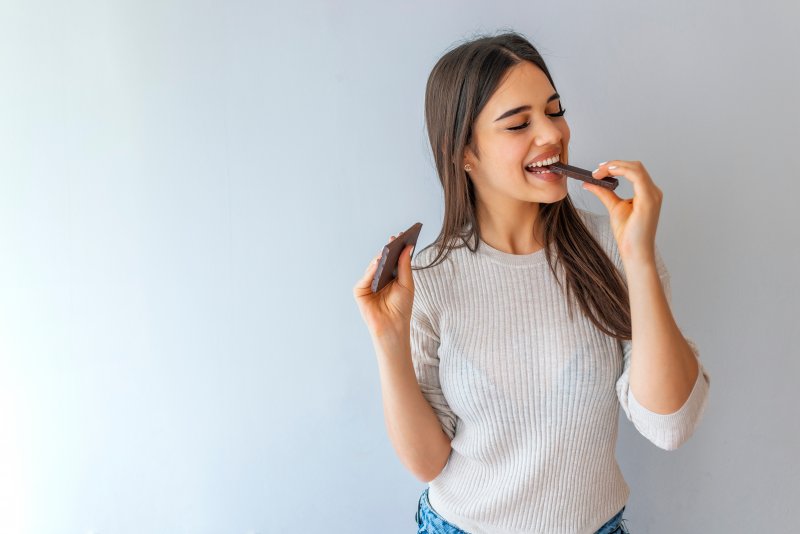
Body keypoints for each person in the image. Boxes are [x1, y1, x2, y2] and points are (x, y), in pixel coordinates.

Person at [353, 30, 710, 534]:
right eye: (519, 123)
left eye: (555, 111)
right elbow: (428, 463)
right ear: (463, 154)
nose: (552, 134)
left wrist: (639, 260)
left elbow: (670, 426)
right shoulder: (428, 281)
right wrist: (389, 344)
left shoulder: (615, 248)